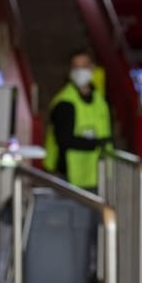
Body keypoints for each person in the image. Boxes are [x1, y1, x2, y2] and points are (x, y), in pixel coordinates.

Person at [44, 48, 113, 191]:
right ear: (70, 71)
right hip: (68, 174)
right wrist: (97, 143)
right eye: (76, 67)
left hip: (97, 172)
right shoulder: (64, 102)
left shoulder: (100, 100)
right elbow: (64, 140)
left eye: (84, 66)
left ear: (93, 68)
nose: (80, 71)